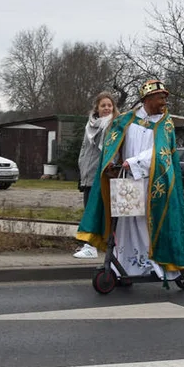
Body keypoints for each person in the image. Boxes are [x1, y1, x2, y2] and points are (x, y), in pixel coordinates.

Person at [75, 79, 184, 282]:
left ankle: (153, 266)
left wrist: (134, 162)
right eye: (160, 97)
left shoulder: (165, 123)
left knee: (146, 224)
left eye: (165, 97)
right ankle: (123, 268)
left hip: (152, 185)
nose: (164, 101)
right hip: (127, 183)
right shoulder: (127, 119)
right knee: (124, 225)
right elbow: (113, 143)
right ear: (147, 99)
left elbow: (160, 154)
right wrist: (112, 163)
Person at [73, 92, 116, 259]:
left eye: (109, 105)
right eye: (103, 105)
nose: (106, 108)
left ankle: (91, 246)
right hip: (87, 173)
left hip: (100, 175)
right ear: (97, 108)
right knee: (88, 209)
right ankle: (91, 244)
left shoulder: (113, 124)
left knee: (94, 212)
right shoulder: (90, 124)